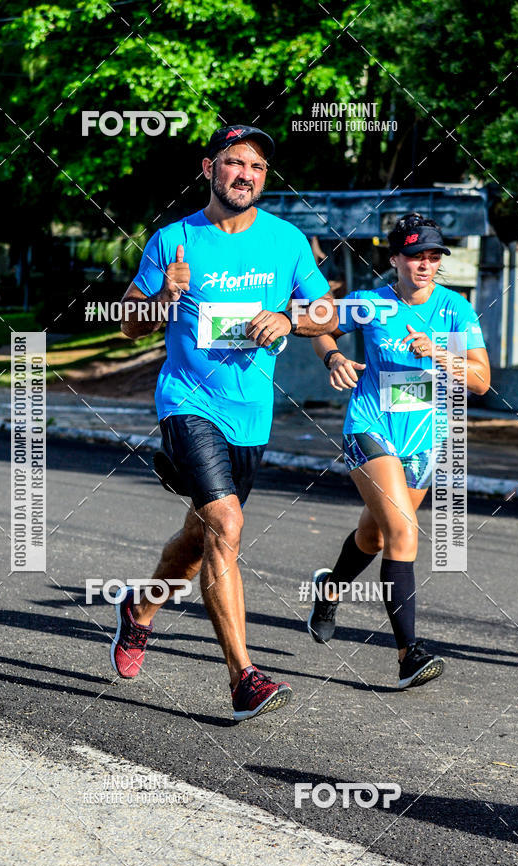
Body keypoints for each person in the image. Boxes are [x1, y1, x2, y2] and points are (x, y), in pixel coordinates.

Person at [113, 125, 337, 720]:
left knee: (200, 540)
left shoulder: (287, 241)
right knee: (226, 521)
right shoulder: (173, 239)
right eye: (235, 163)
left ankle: (138, 609)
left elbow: (326, 310)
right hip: (187, 401)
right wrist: (160, 297)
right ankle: (245, 676)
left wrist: (292, 321)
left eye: (257, 168)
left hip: (250, 415)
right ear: (208, 167)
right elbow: (129, 326)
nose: (246, 175)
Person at [309, 212, 491, 689]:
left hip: (424, 439)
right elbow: (316, 323)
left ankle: (330, 587)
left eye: (433, 257)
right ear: (395, 259)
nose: (425, 264)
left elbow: (480, 381)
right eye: (415, 256)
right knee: (404, 533)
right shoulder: (370, 303)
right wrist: (333, 355)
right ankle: (410, 654)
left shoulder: (456, 310)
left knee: (374, 537)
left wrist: (439, 354)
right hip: (371, 427)